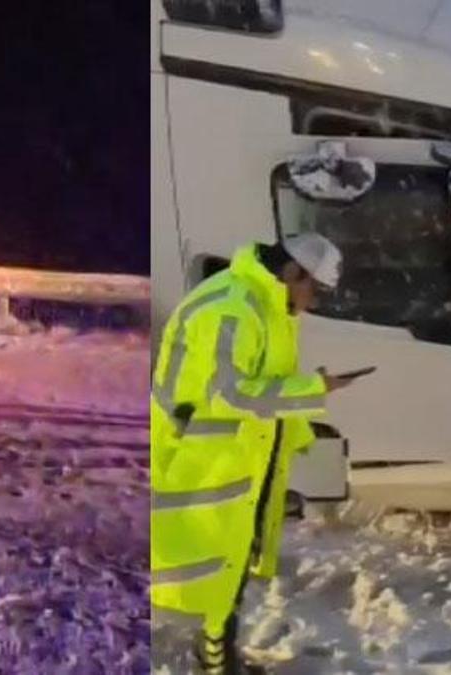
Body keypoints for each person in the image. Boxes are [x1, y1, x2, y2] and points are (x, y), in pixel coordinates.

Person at [150, 232, 353, 673]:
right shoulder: (234, 307)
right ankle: (214, 664)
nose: (313, 301)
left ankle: (219, 656)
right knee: (214, 572)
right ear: (292, 271)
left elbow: (265, 380)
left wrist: (298, 436)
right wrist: (314, 389)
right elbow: (231, 396)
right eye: (313, 289)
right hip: (204, 464)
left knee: (231, 569)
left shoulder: (267, 304)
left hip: (234, 460)